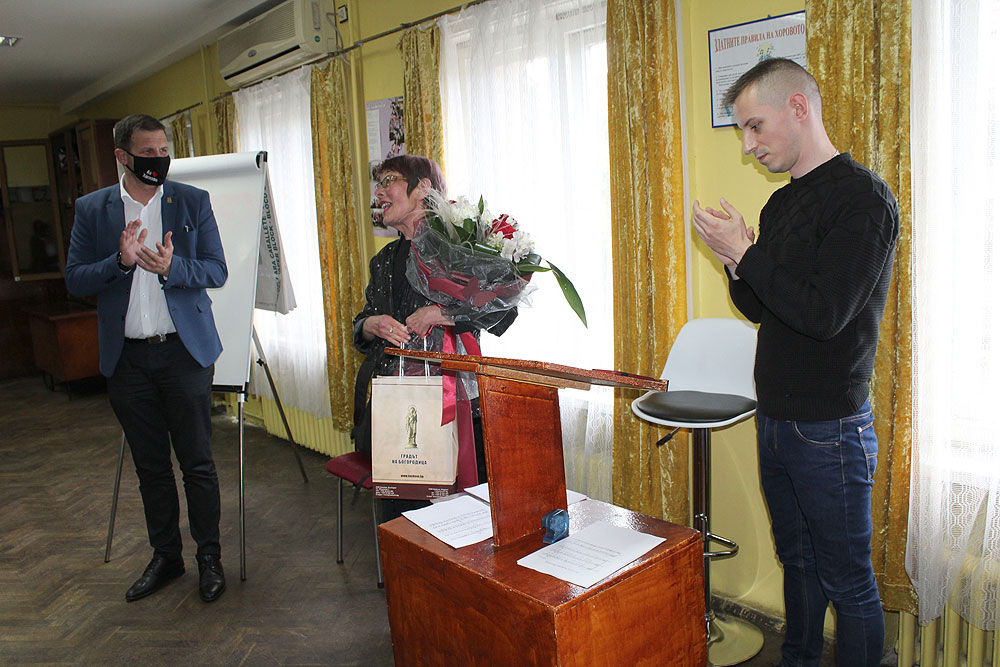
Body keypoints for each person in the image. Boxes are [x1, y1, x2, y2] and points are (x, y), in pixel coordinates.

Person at [691, 58, 898, 666]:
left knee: (848, 582)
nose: (748, 145)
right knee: (798, 564)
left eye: (755, 126)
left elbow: (823, 314)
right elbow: (762, 308)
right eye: (743, 132)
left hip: (830, 427)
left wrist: (746, 253)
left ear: (799, 108)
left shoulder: (863, 199)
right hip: (777, 418)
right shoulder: (781, 205)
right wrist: (734, 260)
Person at [65, 114, 229, 604]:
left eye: (163, 150)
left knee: (197, 464)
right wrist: (120, 262)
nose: (159, 159)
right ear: (122, 156)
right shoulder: (93, 209)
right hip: (128, 362)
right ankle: (167, 557)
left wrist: (173, 266)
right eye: (148, 152)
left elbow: (216, 269)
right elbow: (75, 279)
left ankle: (209, 557)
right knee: (151, 467)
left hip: (184, 355)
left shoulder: (192, 200)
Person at [352, 154, 517, 521]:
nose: (378, 192)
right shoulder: (384, 260)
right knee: (402, 524)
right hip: (398, 412)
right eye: (378, 184)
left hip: (456, 411)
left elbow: (502, 312)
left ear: (422, 188)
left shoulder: (460, 248)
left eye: (389, 181)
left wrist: (441, 314)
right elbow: (359, 325)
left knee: (460, 524)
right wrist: (373, 324)